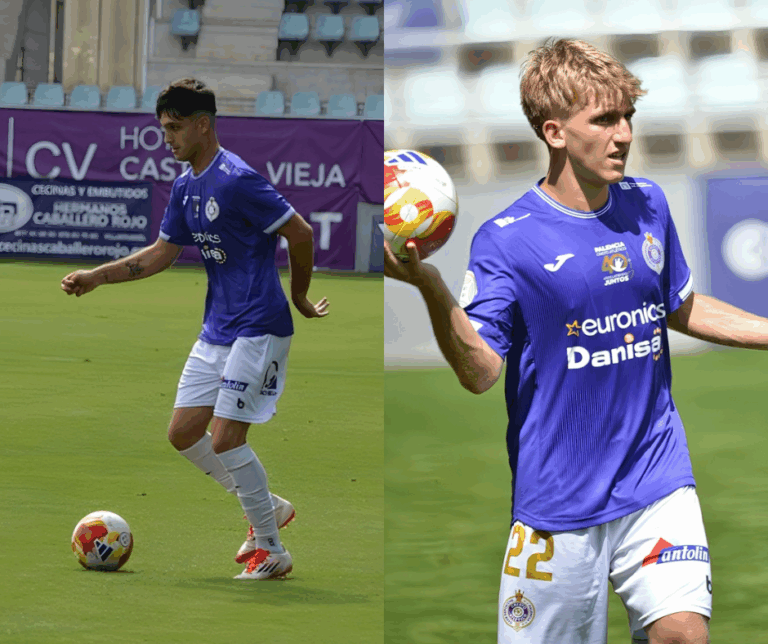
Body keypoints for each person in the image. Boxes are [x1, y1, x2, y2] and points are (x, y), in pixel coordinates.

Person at [385, 39, 768, 643]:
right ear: (555, 132)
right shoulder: (506, 240)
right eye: (605, 119)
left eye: (627, 117)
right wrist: (431, 288)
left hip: (656, 475)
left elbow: (680, 305)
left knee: (683, 634)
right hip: (557, 505)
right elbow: (480, 372)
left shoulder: (648, 204)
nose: (624, 135)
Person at [61, 78, 329, 580]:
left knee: (226, 438)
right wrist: (97, 276)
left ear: (203, 125)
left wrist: (298, 296)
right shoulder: (186, 186)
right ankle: (268, 506)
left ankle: (271, 549)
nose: (167, 138)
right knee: (184, 433)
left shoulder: (237, 179)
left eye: (175, 128)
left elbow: (300, 232)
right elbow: (161, 254)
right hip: (217, 330)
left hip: (259, 326)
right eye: (164, 129)